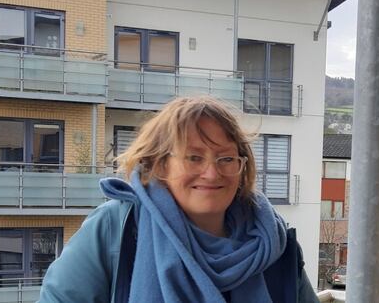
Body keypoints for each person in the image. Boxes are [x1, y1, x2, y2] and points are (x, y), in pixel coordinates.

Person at [39, 96, 319, 303]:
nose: (211, 173)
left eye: (226, 158)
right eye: (194, 157)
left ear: (242, 165)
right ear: (160, 165)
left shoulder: (271, 238)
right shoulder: (116, 226)